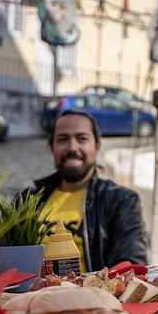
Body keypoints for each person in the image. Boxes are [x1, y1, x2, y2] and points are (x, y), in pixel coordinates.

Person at [28, 109, 148, 272]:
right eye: (63, 139)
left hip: (92, 296)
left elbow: (131, 267)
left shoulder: (121, 201)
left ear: (97, 146)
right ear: (51, 147)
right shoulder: (27, 201)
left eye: (82, 138)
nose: (72, 147)